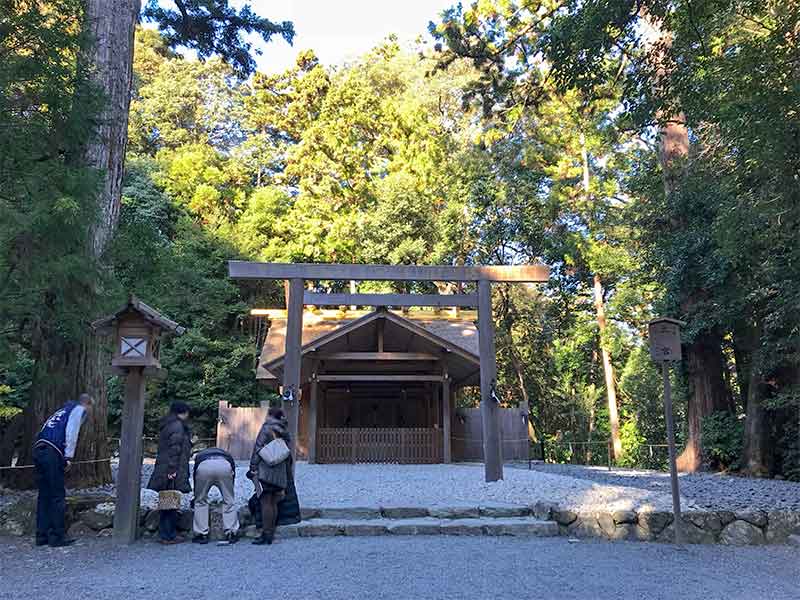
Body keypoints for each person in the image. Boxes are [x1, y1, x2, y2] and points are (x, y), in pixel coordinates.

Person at [33, 393, 93, 547]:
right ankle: (57, 536)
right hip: (53, 451)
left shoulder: (61, 411)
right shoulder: (78, 409)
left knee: (44, 494)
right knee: (57, 495)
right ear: (87, 404)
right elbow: (71, 432)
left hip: (39, 448)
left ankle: (41, 535)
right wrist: (68, 457)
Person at [147, 402, 192, 545]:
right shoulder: (178, 426)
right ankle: (168, 535)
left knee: (167, 500)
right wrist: (172, 470)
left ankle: (166, 533)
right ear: (183, 412)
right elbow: (175, 449)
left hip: (165, 467)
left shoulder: (169, 424)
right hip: (171, 468)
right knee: (170, 501)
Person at [248, 407, 293, 545]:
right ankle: (271, 533)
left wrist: (253, 467)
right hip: (280, 469)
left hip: (267, 468)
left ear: (269, 416)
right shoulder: (284, 430)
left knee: (265, 502)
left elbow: (258, 448)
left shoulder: (266, 428)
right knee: (273, 502)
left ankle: (266, 535)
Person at [191, 446, 239, 544]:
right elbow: (233, 473)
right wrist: (230, 491)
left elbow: (195, 475)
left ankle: (202, 534)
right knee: (229, 500)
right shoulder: (226, 454)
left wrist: (195, 495)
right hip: (224, 465)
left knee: (200, 501)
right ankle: (231, 533)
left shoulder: (200, 455)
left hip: (204, 466)